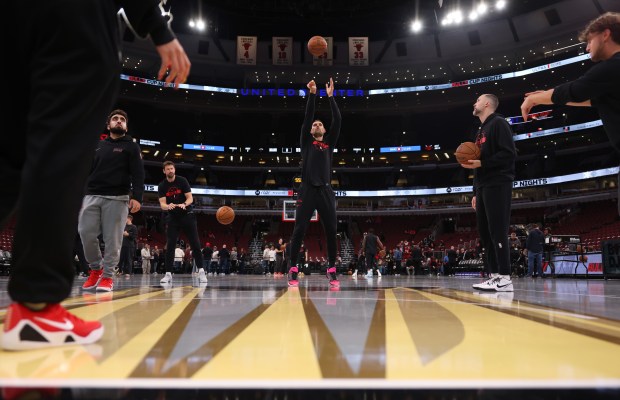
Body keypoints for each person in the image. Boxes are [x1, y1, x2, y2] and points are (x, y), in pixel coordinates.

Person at [1, 0, 190, 351]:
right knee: (58, 152)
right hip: (75, 19)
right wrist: (157, 25)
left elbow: (136, 172)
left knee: (9, 159)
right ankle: (37, 307)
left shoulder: (131, 147)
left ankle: (98, 277)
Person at [520, 12, 620, 214]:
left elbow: (575, 90)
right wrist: (546, 95)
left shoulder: (612, 67)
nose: (587, 47)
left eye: (590, 40)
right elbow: (594, 99)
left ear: (605, 34)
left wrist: (533, 99)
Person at [78, 109, 144, 292]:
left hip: (117, 197)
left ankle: (107, 276)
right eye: (115, 119)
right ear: (108, 125)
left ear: (126, 126)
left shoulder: (131, 146)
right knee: (85, 233)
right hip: (92, 195)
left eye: (122, 119)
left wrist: (137, 197)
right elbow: (87, 171)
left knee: (112, 240)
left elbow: (138, 174)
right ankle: (96, 268)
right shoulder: (98, 145)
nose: (119, 121)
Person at [287, 78, 342, 287]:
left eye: (320, 124)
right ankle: (292, 268)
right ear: (310, 131)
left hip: (326, 191)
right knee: (299, 229)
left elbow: (338, 120)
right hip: (307, 190)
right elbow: (307, 116)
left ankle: (331, 269)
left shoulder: (329, 143)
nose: (316, 124)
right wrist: (312, 93)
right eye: (314, 124)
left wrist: (330, 97)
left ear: (324, 130)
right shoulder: (306, 142)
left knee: (331, 230)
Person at [462, 94, 517, 292]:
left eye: (477, 100)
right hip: (484, 186)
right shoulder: (480, 130)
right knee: (485, 233)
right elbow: (477, 165)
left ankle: (505, 277)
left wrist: (483, 163)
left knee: (497, 230)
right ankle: (494, 275)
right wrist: (475, 191)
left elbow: (509, 154)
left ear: (486, 104)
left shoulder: (499, 123)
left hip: (499, 182)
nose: (474, 103)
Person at [158, 161, 206, 284]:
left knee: (195, 244)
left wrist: (184, 204)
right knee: (170, 246)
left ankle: (201, 271)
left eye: (172, 168)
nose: (170, 171)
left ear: (174, 170)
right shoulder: (162, 185)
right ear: (164, 171)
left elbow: (190, 198)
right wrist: (169, 206)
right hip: (173, 217)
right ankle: (168, 274)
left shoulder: (182, 180)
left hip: (187, 215)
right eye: (168, 169)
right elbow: (162, 204)